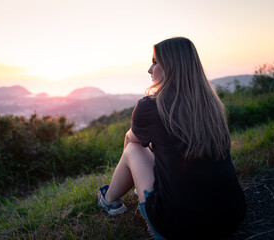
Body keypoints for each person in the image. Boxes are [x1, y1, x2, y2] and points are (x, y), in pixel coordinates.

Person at [98, 37, 246, 239]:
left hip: (176, 228)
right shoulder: (212, 105)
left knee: (133, 149)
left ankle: (109, 201)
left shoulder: (150, 106)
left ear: (171, 67)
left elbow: (131, 141)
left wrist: (137, 177)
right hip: (230, 217)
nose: (150, 70)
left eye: (154, 62)